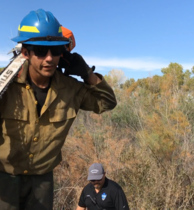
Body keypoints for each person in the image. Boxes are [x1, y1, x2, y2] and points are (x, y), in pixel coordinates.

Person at [0, 9, 117, 210]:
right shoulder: (4, 85)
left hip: (42, 183)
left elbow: (107, 102)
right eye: (40, 51)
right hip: (4, 179)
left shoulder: (70, 89)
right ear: (26, 52)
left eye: (55, 51)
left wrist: (87, 73)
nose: (49, 58)